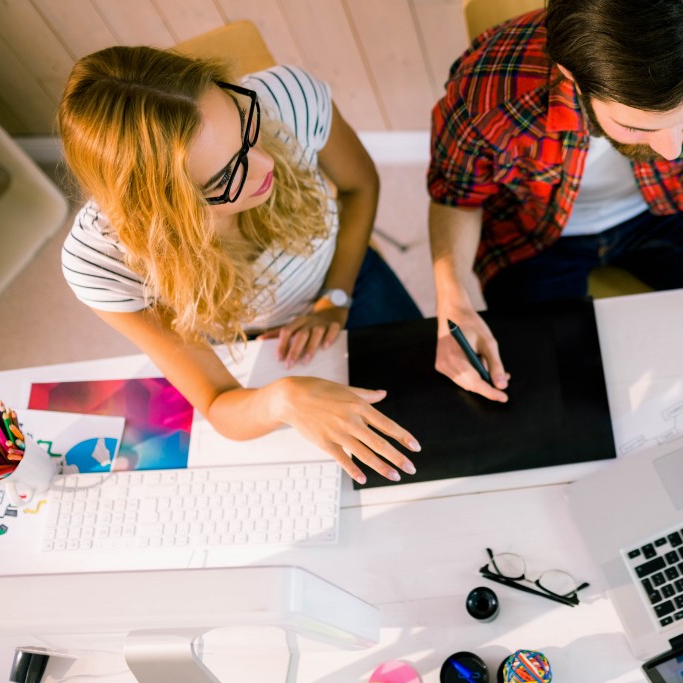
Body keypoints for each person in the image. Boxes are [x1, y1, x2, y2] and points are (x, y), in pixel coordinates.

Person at [427, 0, 683, 526]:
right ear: (575, 76)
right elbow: (457, 196)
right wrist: (451, 296)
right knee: (551, 416)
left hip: (673, 212)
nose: (671, 148)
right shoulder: (490, 85)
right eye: (639, 128)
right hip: (534, 238)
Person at [57, 46, 423, 485]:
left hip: (346, 276)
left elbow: (360, 186)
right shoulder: (100, 261)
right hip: (231, 330)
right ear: (164, 210)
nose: (267, 164)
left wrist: (337, 295)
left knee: (425, 407)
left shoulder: (287, 99)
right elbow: (218, 403)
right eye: (226, 176)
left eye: (246, 126)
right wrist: (282, 399)